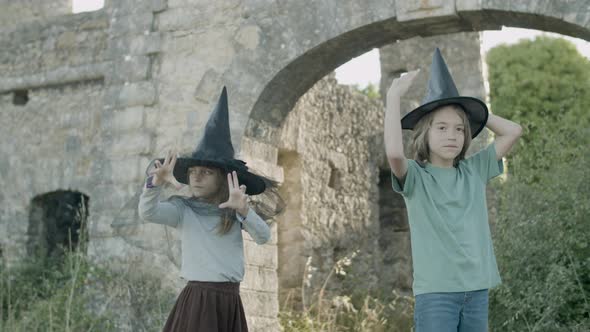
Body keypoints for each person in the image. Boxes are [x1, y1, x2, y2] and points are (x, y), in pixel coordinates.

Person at [384, 48, 522, 331]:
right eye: (442, 128)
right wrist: (393, 97)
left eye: (460, 129)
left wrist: (475, 109)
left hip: (477, 290)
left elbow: (512, 131)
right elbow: (395, 154)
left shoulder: (474, 170)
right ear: (425, 133)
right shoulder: (416, 178)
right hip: (436, 293)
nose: (452, 135)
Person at [138, 87, 282, 332]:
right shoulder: (184, 210)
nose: (196, 177)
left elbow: (263, 236)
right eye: (193, 172)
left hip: (229, 300)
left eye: (206, 172)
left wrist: (244, 211)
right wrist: (154, 185)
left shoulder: (235, 208)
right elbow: (148, 212)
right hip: (199, 299)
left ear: (223, 178)